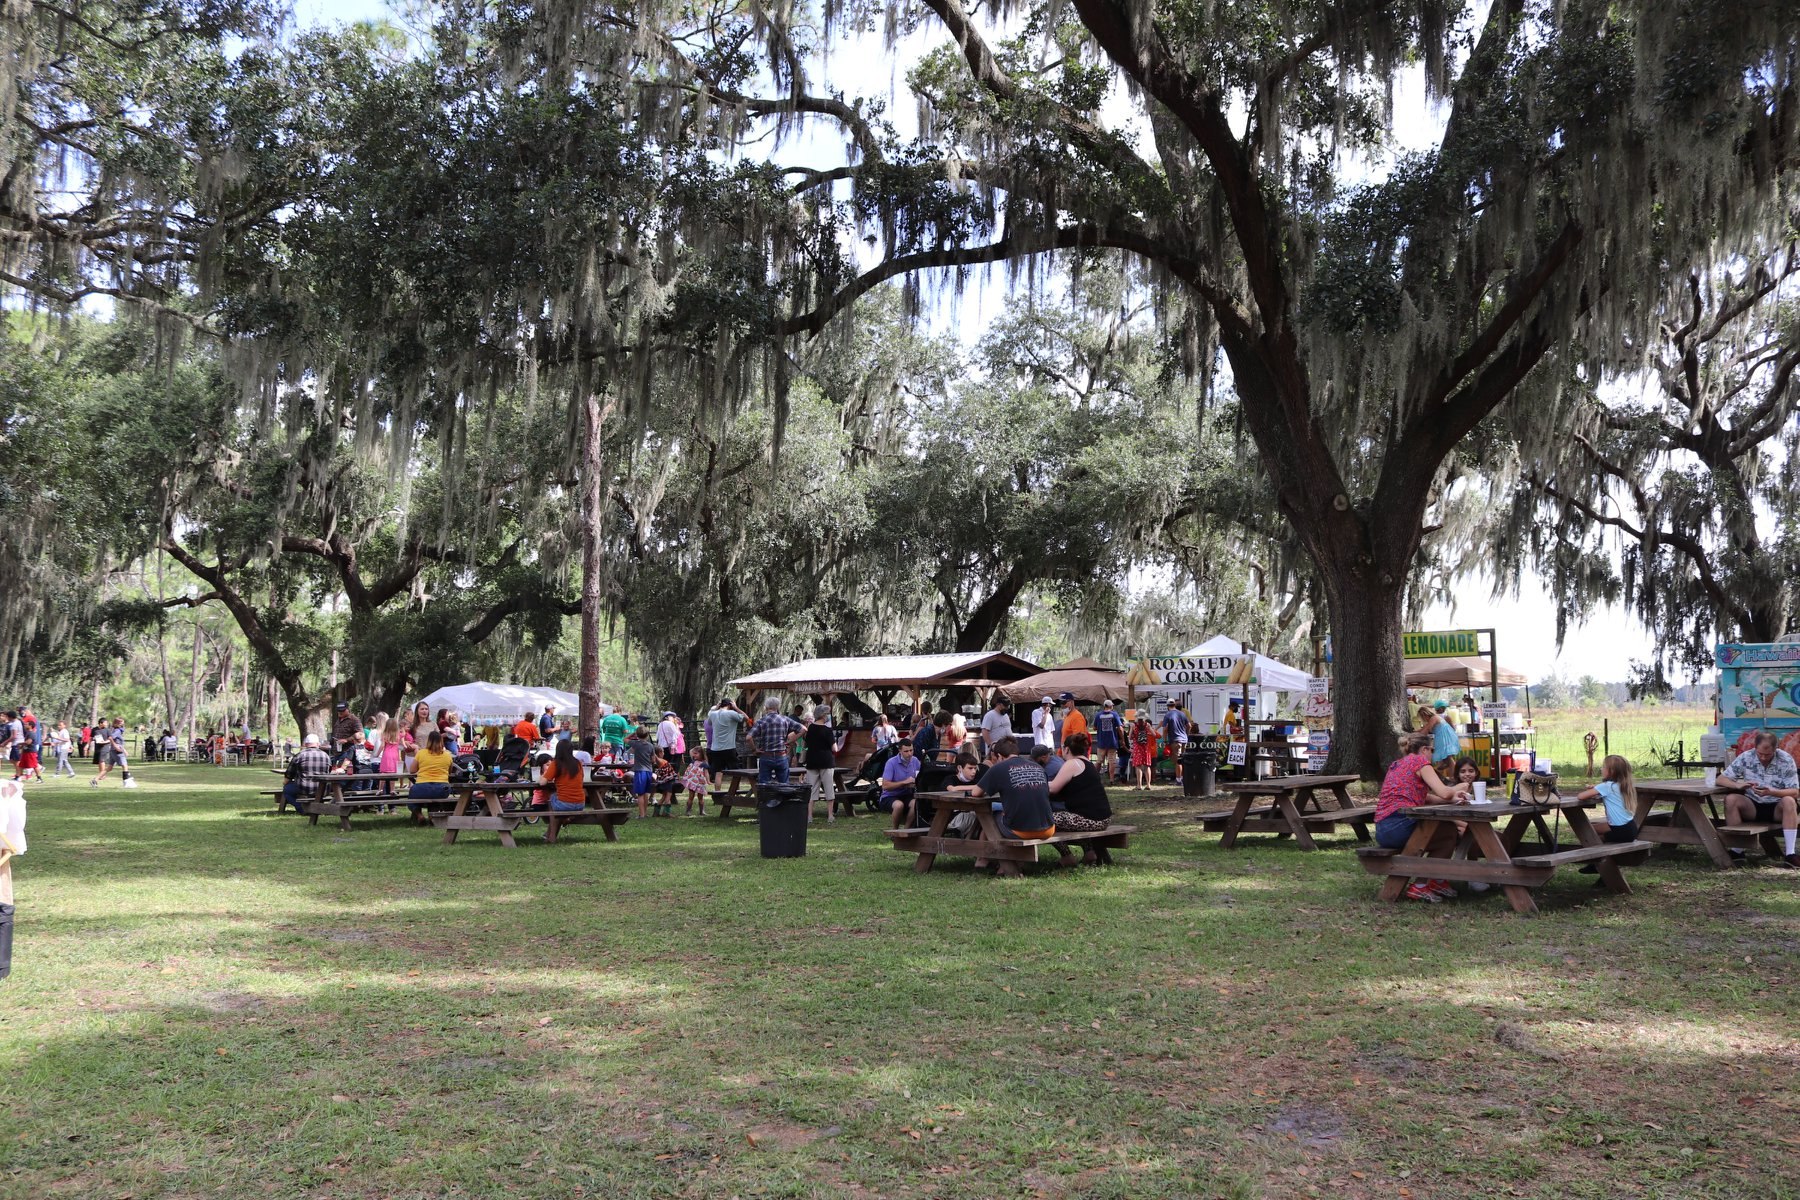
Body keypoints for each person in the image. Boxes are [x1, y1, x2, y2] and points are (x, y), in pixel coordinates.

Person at [1374, 731, 1472, 902]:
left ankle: (1437, 880)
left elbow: (1425, 797)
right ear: (1425, 749)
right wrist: (1462, 786)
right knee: (1448, 832)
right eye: (1432, 750)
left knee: (1447, 830)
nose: (1433, 755)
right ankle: (1422, 885)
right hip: (1399, 825)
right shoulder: (1420, 762)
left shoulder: (1398, 764)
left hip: (1384, 828)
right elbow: (1444, 792)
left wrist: (1452, 798)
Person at [1720, 730, 1800, 868]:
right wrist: (1737, 785)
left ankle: (1790, 854)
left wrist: (1773, 792)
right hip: (1753, 804)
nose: (1763, 757)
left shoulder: (1786, 759)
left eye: (1767, 754)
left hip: (1777, 807)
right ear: (1755, 748)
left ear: (1776, 749)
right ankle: (1737, 850)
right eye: (1760, 754)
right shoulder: (1746, 757)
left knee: (1789, 801)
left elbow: (1794, 792)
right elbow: (1721, 779)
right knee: (1731, 799)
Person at [970, 736, 1056, 842]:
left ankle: (984, 856)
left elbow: (975, 793)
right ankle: (984, 858)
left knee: (989, 816)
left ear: (1000, 756)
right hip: (1048, 829)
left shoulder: (998, 768)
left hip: (1020, 831)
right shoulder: (1038, 767)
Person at [1574, 754, 1641, 876]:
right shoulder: (1623, 785)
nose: (1601, 769)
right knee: (1589, 829)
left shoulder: (1606, 786)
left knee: (1590, 837)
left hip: (1620, 831)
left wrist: (1596, 788)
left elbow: (1581, 796)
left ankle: (1598, 864)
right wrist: (1596, 788)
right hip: (1630, 828)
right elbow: (1606, 792)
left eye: (1604, 767)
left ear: (1612, 772)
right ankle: (1600, 865)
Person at [1048, 731, 1112, 844]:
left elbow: (1053, 788)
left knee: (1042, 819)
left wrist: (1036, 783)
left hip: (1089, 820)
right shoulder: (1088, 763)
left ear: (1066, 749)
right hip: (1103, 818)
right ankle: (1089, 851)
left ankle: (1067, 855)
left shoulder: (1072, 763)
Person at [800, 705, 845, 824]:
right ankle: (830, 815)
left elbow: (805, 745)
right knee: (829, 788)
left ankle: (809, 816)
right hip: (826, 761)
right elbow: (834, 748)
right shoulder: (827, 730)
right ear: (824, 715)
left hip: (812, 761)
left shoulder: (810, 729)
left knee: (812, 789)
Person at [747, 697, 804, 788]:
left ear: (765, 707)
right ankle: (782, 801)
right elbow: (803, 729)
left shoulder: (761, 721)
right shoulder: (785, 719)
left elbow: (748, 737)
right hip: (781, 755)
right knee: (784, 785)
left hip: (766, 755)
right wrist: (790, 740)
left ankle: (766, 801)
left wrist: (754, 750)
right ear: (778, 707)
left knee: (764, 786)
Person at [408, 730, 454, 818]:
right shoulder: (447, 755)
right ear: (441, 741)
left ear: (428, 740)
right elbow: (449, 771)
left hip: (422, 787)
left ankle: (419, 815)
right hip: (442, 788)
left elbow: (412, 770)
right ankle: (432, 816)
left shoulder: (421, 753)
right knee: (436, 799)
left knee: (411, 798)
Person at [283, 733, 333, 812]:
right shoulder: (326, 756)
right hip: (323, 789)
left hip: (304, 788)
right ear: (318, 744)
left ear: (306, 744)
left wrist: (286, 782)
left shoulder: (299, 755)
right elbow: (329, 771)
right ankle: (315, 807)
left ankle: (302, 808)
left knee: (287, 790)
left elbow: (289, 775)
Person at [878, 738, 922, 828]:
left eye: (911, 750)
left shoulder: (915, 761)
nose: (909, 754)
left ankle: (906, 830)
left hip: (907, 794)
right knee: (899, 805)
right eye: (906, 751)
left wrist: (916, 783)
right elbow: (885, 786)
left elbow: (920, 778)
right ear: (900, 751)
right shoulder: (891, 763)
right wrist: (904, 782)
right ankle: (895, 831)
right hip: (890, 796)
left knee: (916, 803)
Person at [706, 698, 748, 785]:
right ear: (730, 705)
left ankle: (717, 793)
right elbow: (746, 718)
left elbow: (709, 721)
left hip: (715, 749)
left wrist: (715, 708)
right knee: (736, 773)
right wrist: (736, 708)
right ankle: (735, 792)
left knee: (718, 772)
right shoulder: (732, 713)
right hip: (729, 747)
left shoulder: (713, 714)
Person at [625, 726, 659, 818]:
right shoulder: (651, 746)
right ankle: (645, 813)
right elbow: (653, 760)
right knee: (646, 793)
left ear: (637, 735)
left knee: (640, 794)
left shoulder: (635, 744)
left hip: (639, 771)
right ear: (647, 735)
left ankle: (641, 814)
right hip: (648, 771)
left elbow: (625, 739)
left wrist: (633, 734)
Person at [1420, 704, 1461, 772]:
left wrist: (1416, 735)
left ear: (1425, 714)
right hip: (1444, 737)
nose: (1423, 719)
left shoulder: (1434, 718)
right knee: (1444, 759)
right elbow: (1425, 728)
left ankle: (1453, 776)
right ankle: (1443, 776)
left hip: (1444, 738)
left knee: (1448, 758)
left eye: (1423, 717)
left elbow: (1426, 730)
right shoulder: (1434, 718)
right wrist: (1416, 731)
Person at [1092, 699, 1123, 778]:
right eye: (1112, 705)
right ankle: (1111, 779)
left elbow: (1094, 728)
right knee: (1112, 761)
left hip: (1101, 742)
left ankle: (1095, 777)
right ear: (1110, 706)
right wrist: (1122, 739)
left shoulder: (1098, 715)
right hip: (1112, 742)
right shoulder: (1114, 714)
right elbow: (1120, 728)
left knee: (1099, 761)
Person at [1162, 701, 1190, 782]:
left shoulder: (1168, 714)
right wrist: (1186, 735)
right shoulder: (1182, 713)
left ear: (1168, 706)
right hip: (1184, 740)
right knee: (1183, 759)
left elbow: (1165, 728)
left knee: (1178, 761)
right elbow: (1189, 726)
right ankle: (1184, 778)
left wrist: (1164, 740)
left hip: (1175, 740)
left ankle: (1178, 780)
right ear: (1174, 705)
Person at [376, 717, 404, 792]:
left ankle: (380, 789)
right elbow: (402, 744)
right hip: (395, 755)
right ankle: (392, 790)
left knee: (383, 773)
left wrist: (377, 754)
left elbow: (382, 746)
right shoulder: (399, 735)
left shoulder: (384, 734)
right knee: (393, 773)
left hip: (386, 755)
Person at [1129, 712, 1156, 790]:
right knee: (1147, 766)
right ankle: (1148, 785)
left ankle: (1139, 785)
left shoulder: (1134, 725)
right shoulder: (1147, 725)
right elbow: (1154, 735)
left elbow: (1130, 737)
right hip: (1146, 748)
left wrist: (1133, 733)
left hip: (1137, 747)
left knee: (1138, 766)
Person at [681, 748, 711, 816]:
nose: (694, 755)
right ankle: (688, 811)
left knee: (701, 797)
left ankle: (702, 811)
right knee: (691, 796)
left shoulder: (704, 763)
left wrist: (708, 781)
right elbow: (690, 751)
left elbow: (706, 773)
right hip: (692, 782)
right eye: (694, 753)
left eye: (696, 753)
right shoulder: (693, 762)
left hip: (700, 783)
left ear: (701, 754)